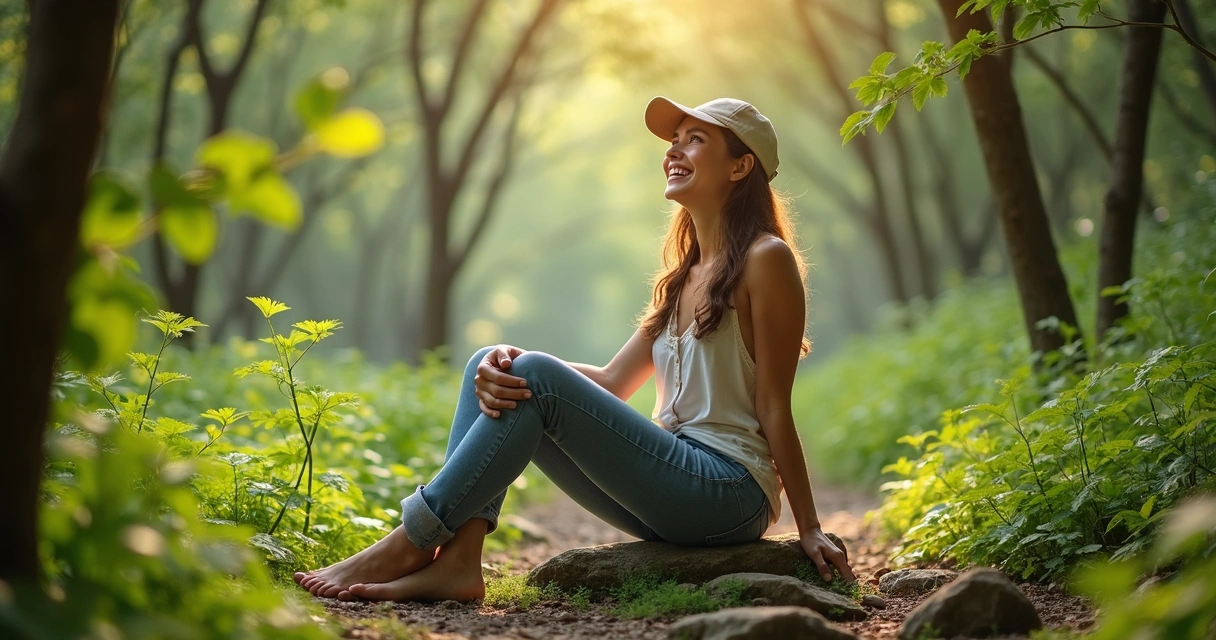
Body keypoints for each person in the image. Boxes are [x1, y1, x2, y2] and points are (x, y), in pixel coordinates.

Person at [293, 97, 856, 602]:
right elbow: (611, 382)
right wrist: (513, 363)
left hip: (729, 492)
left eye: (695, 138)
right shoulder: (684, 278)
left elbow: (774, 407)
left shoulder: (767, 259)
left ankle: (410, 541)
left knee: (528, 372)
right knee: (495, 363)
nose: (674, 150)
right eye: (674, 139)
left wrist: (808, 527)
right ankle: (460, 564)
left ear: (740, 166)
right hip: (672, 485)